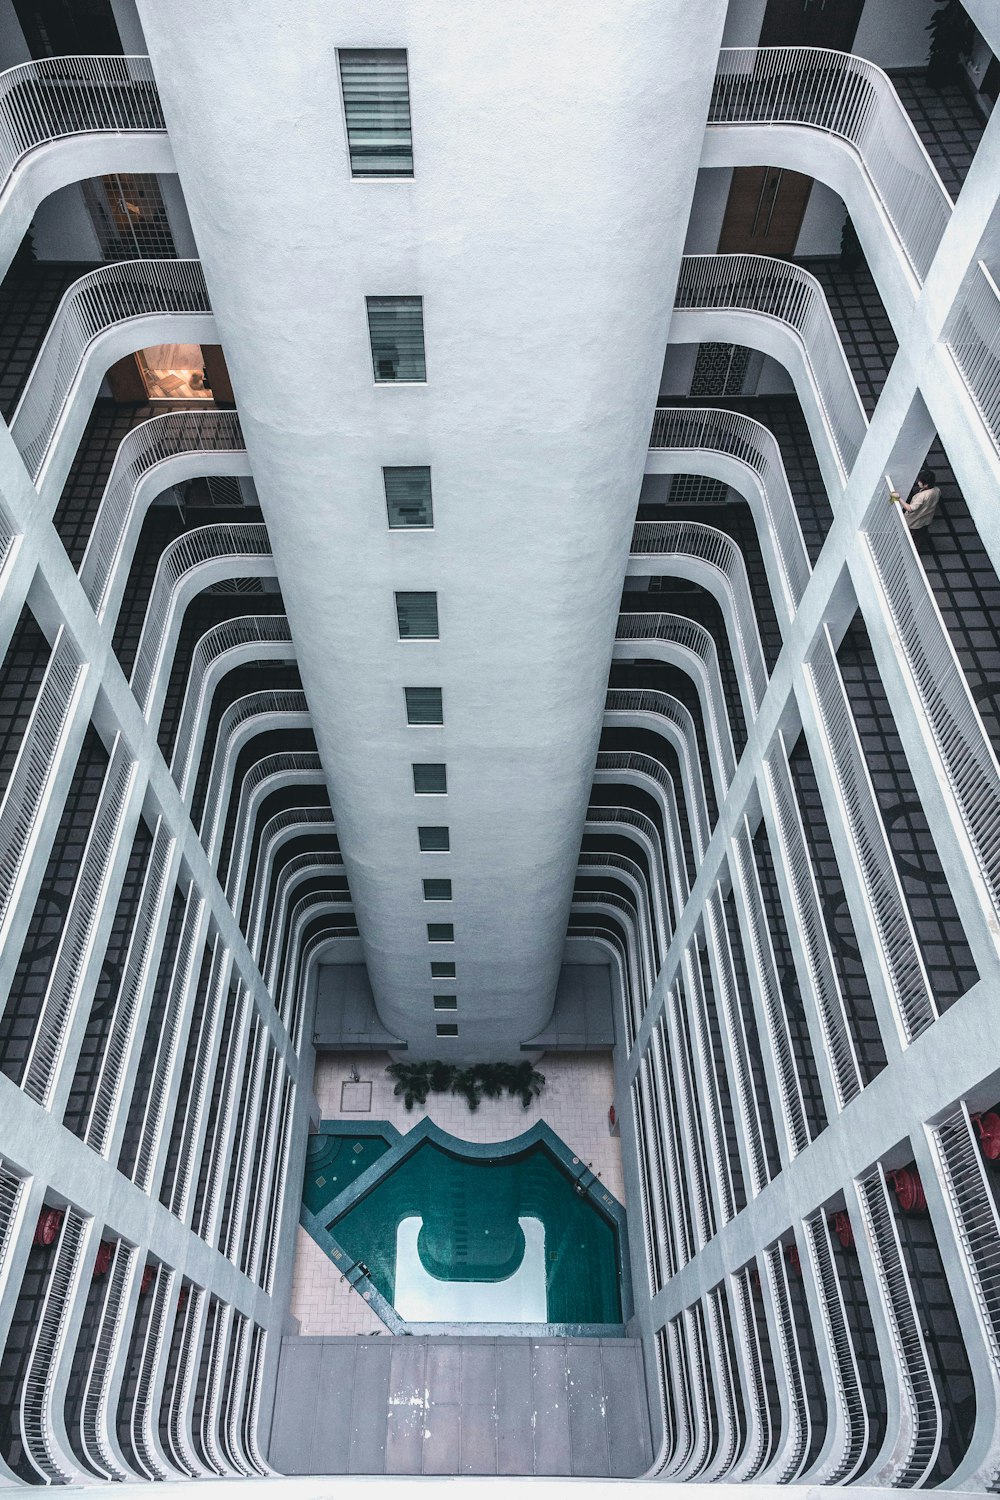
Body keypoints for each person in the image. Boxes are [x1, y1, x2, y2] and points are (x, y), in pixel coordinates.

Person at [900, 467, 940, 534]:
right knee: (919, 536)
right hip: (926, 520)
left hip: (914, 523)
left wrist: (898, 498)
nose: (918, 482)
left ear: (926, 484)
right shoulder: (937, 490)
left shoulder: (922, 496)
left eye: (920, 481)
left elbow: (910, 508)